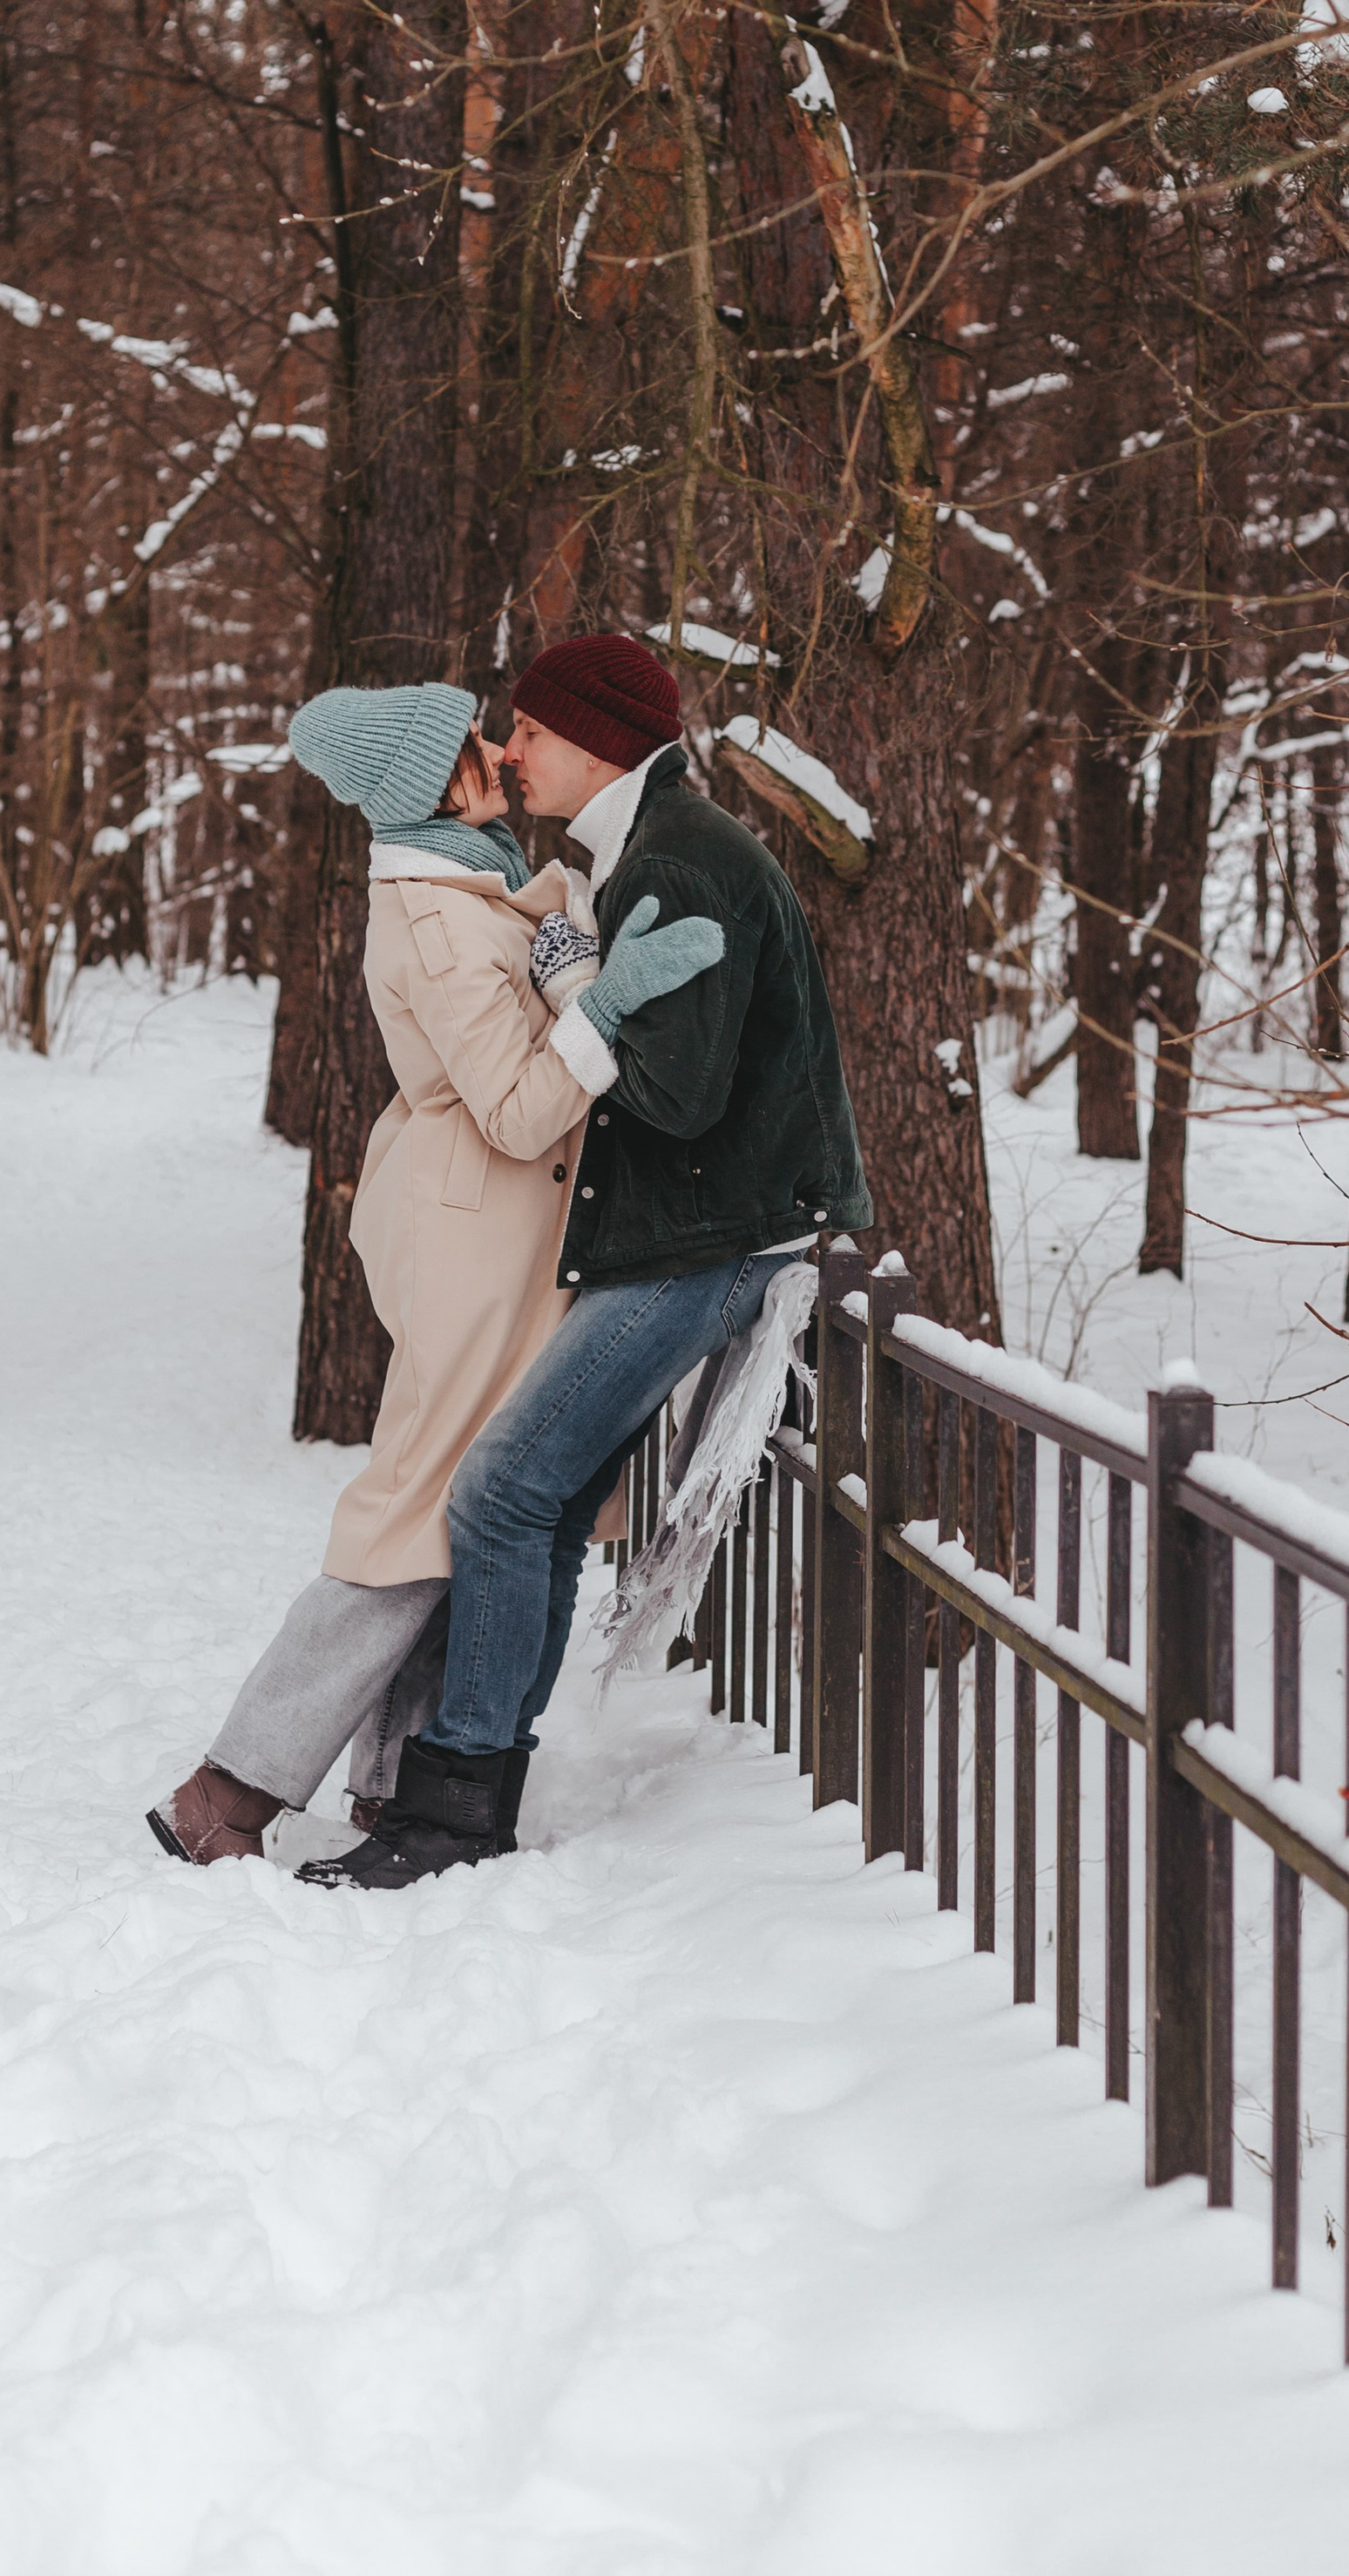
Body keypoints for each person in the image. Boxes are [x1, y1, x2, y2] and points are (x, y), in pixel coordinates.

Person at [305, 630, 873, 1892]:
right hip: (687, 1227)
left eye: (531, 731)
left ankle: (456, 1804)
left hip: (714, 1235)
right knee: (540, 1502)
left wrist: (583, 992)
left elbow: (676, 1095)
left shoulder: (678, 860)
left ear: (599, 743)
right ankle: (466, 1792)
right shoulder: (639, 852)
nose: (511, 753)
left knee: (504, 1491)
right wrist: (587, 982)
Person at [150, 675, 724, 1866]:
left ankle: (392, 1781)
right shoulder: (433, 916)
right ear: (427, 784)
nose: (499, 753)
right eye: (473, 744)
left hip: (510, 1236)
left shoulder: (483, 883)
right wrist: (606, 1003)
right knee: (415, 1509)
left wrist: (576, 937)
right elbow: (517, 1109)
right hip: (475, 1236)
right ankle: (231, 1789)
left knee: (466, 1511)